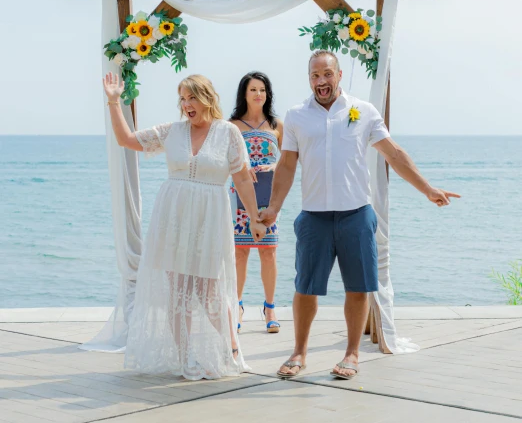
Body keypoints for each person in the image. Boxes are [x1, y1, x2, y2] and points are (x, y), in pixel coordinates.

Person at [260, 50, 460, 380]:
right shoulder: (296, 116)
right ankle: (299, 352)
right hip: (314, 217)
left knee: (358, 287)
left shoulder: (363, 112)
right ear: (309, 78)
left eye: (326, 74)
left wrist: (427, 189)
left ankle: (352, 354)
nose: (320, 81)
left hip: (357, 214)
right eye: (314, 75)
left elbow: (393, 154)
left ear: (339, 75)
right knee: (305, 288)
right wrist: (273, 208)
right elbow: (286, 165)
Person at [102, 71, 266, 380]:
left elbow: (242, 177)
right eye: (182, 98)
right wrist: (113, 102)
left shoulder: (227, 132)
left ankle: (231, 349)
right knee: (177, 289)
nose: (186, 104)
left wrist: (255, 217)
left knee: (210, 291)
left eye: (192, 97)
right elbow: (126, 140)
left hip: (210, 218)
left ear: (207, 98)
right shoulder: (171, 131)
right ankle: (185, 357)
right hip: (174, 218)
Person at [229, 72, 284, 333]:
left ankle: (270, 307)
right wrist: (241, 167)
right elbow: (222, 160)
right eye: (253, 89)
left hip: (268, 197)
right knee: (240, 253)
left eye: (262, 89)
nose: (258, 94)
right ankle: (237, 306)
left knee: (268, 252)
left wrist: (276, 164)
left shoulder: (277, 125)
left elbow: (292, 159)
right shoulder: (231, 126)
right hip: (239, 197)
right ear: (244, 93)